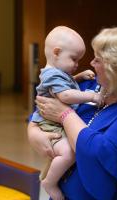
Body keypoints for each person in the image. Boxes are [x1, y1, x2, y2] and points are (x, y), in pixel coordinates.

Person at [28, 26, 117, 200]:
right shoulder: (91, 85)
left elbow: (99, 154)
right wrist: (34, 133)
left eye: (98, 59)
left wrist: (65, 115)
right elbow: (43, 110)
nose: (91, 64)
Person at [30, 26, 102, 200]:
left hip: (54, 121)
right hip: (50, 124)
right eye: (74, 59)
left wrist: (79, 76)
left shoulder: (58, 74)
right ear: (56, 52)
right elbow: (66, 94)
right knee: (69, 153)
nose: (77, 64)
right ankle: (50, 182)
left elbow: (67, 84)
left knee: (65, 152)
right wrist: (92, 95)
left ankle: (50, 174)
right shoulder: (52, 76)